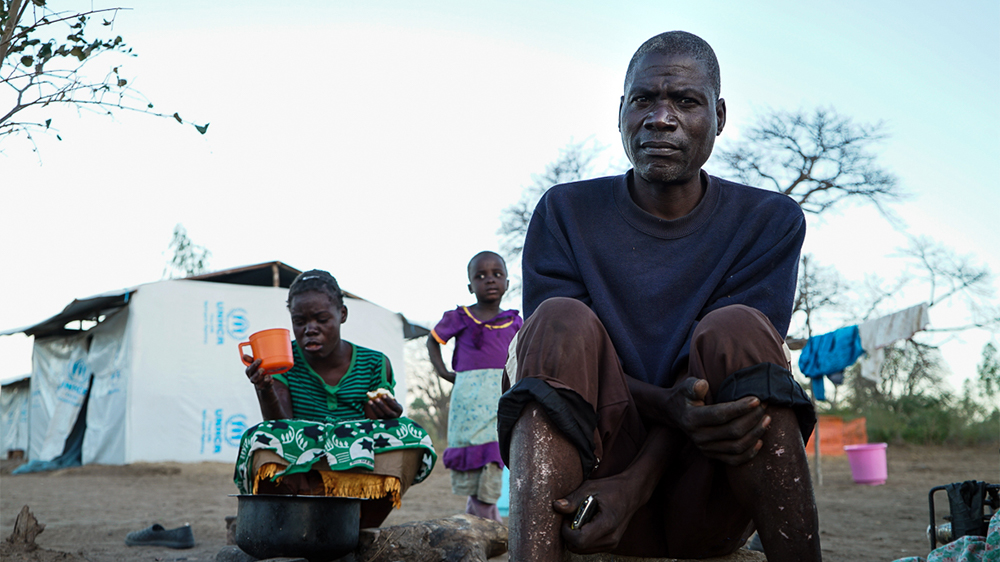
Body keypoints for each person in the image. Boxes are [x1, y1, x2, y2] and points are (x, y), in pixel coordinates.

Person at [496, 31, 821, 561]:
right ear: (621, 111)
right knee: (557, 322)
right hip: (584, 494)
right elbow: (560, 373)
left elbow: (716, 394)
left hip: (707, 491)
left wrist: (637, 484)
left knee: (738, 331)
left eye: (686, 101)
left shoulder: (767, 220)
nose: (661, 118)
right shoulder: (566, 212)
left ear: (718, 116)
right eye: (644, 99)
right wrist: (666, 409)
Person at [234, 269, 437, 529]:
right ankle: (288, 526)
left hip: (356, 461)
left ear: (342, 314)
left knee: (411, 435)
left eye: (321, 319)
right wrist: (265, 389)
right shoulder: (284, 360)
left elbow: (375, 427)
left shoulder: (374, 363)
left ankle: (359, 530)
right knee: (261, 439)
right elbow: (279, 426)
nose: (310, 329)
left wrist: (388, 417)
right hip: (301, 462)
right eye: (299, 321)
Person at [427, 251, 522, 523]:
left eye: (497, 274)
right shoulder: (461, 317)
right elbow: (433, 340)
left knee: (494, 456)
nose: (489, 280)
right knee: (477, 463)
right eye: (480, 276)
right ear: (470, 286)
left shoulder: (515, 322)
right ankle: (485, 526)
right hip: (468, 405)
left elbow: (523, 355)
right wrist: (443, 371)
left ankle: (485, 524)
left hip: (502, 401)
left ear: (507, 282)